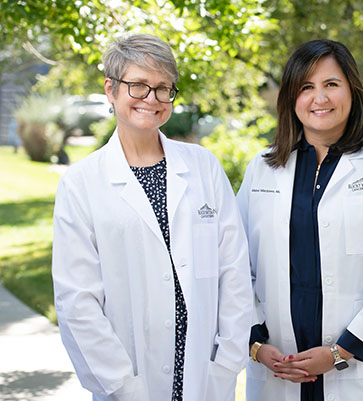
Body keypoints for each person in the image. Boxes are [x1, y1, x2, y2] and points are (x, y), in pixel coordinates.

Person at [52, 34, 253, 401]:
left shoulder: (204, 167)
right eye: (139, 86)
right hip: (128, 378)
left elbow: (234, 270)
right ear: (111, 89)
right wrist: (121, 385)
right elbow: (77, 301)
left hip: (204, 371)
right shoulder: (81, 183)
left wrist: (227, 359)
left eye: (163, 88)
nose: (152, 98)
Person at [237, 39, 363, 401]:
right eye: (306, 87)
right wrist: (256, 344)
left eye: (331, 84)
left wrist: (341, 352)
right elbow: (237, 265)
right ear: (291, 97)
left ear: (352, 90)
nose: (319, 98)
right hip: (278, 368)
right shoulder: (263, 168)